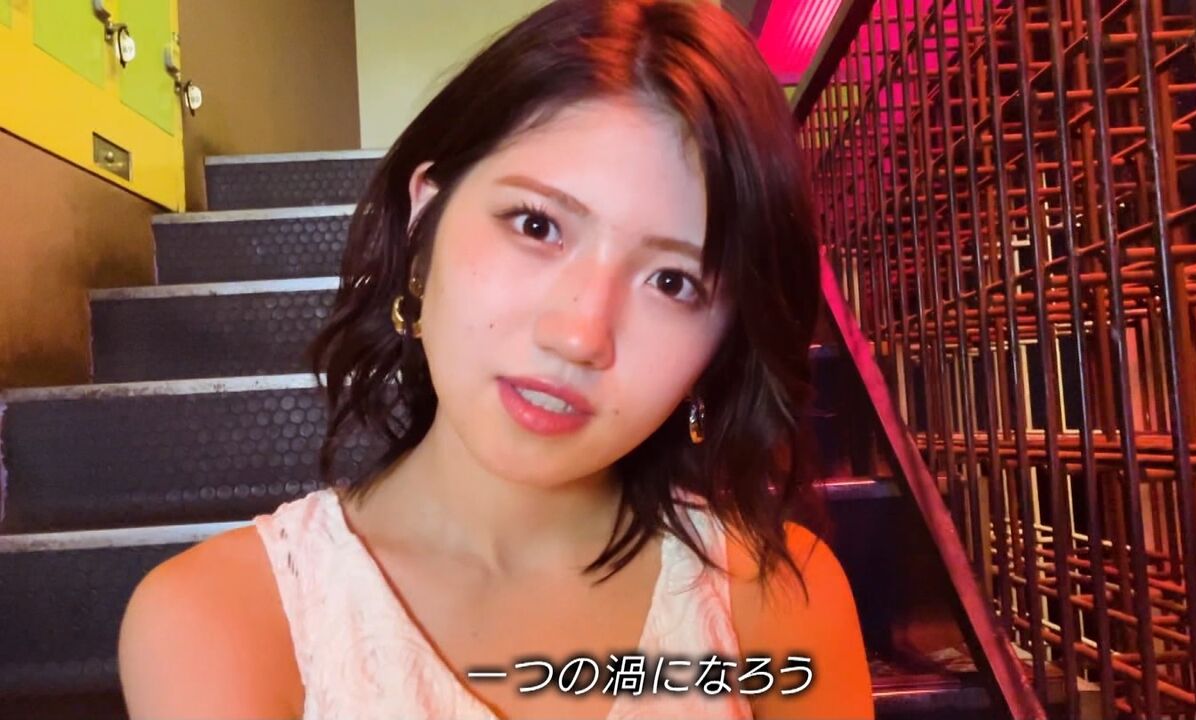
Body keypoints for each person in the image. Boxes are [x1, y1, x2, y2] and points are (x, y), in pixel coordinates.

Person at [118, 0, 874, 717]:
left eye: (672, 282)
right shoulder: (224, 620)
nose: (579, 335)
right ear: (426, 219)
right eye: (536, 225)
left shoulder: (777, 603)